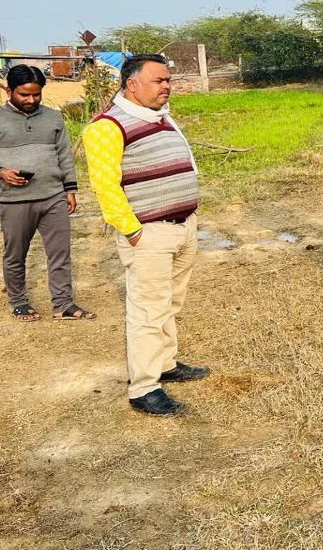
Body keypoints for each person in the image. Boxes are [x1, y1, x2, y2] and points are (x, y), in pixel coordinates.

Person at [84, 54, 209, 417]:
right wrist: (133, 232)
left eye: (168, 79)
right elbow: (105, 186)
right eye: (158, 80)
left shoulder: (160, 117)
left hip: (182, 226)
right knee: (147, 310)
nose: (167, 86)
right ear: (131, 84)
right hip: (149, 234)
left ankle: (166, 364)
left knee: (170, 302)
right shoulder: (108, 126)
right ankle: (144, 388)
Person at [0, 65, 93, 324]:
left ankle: (63, 304)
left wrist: (70, 188)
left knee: (60, 254)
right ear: (9, 91)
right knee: (15, 255)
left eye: (37, 95)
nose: (31, 100)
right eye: (24, 95)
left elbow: (64, 155)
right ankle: (19, 302)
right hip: (14, 200)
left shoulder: (54, 118)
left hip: (53, 196)